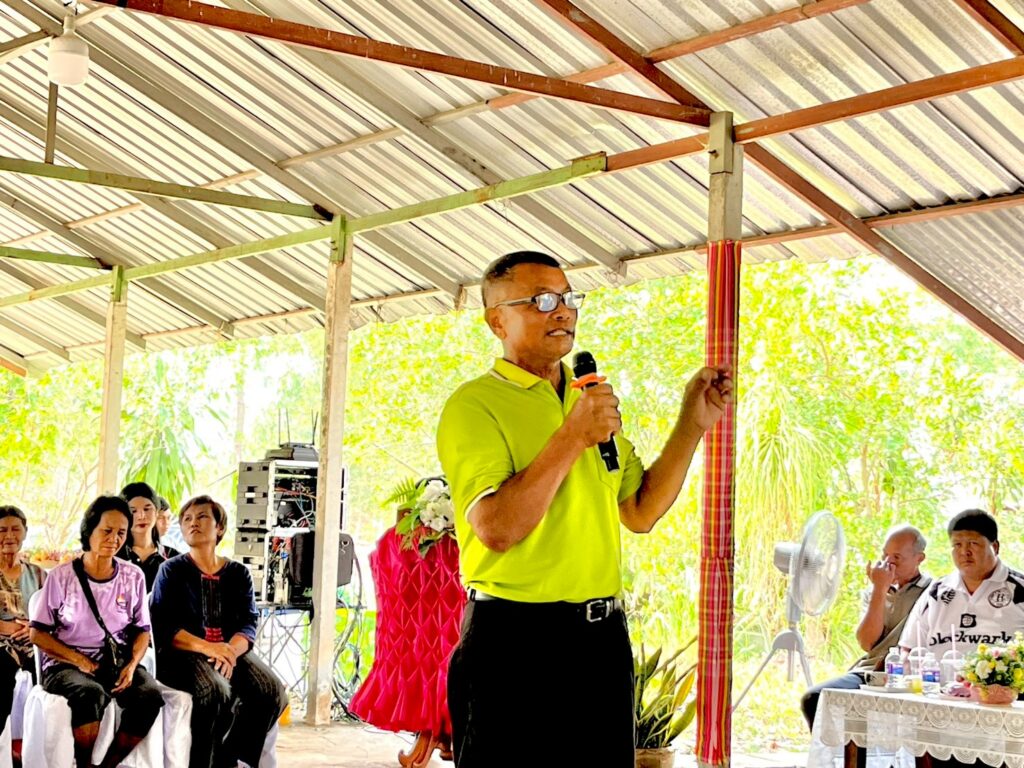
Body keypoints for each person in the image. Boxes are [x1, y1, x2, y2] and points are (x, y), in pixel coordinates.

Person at [436, 251, 733, 768]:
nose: (562, 311)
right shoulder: (475, 405)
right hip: (513, 641)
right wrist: (573, 436)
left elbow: (640, 510)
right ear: (497, 321)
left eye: (568, 298)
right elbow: (497, 528)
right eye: (540, 301)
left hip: (600, 642)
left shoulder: (587, 399)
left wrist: (692, 424)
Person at [150, 495, 286, 768]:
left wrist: (229, 651)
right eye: (187, 519)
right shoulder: (171, 570)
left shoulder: (238, 573)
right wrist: (210, 648)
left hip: (230, 651)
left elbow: (248, 622)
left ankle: (236, 760)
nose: (193, 523)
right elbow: (164, 626)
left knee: (270, 689)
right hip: (184, 655)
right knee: (215, 690)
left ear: (220, 527)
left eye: (202, 517)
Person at [28, 495, 163, 768]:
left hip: (115, 661)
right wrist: (80, 661)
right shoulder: (62, 576)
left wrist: (132, 666)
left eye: (121, 532)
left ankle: (107, 765)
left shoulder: (133, 576)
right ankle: (85, 763)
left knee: (149, 696)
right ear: (89, 531)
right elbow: (37, 634)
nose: (114, 539)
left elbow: (142, 630)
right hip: (66, 663)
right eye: (107, 531)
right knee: (90, 694)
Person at [800, 525, 930, 728]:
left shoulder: (933, 592)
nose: (888, 563)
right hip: (870, 673)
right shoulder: (874, 591)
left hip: (912, 675)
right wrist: (879, 589)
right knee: (814, 699)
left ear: (919, 558)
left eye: (897, 558)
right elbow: (867, 643)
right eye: (885, 555)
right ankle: (840, 750)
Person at [899, 509, 1024, 658]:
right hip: (939, 673)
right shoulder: (935, 593)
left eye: (973, 543)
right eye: (957, 545)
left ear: (995, 547)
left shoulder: (1019, 589)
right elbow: (908, 649)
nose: (965, 551)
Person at [0, 505, 46, 723]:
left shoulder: (38, 574)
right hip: (1, 644)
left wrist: (34, 628)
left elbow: (55, 614)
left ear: (25, 533)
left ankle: (35, 738)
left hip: (33, 643)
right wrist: (5, 627)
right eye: (2, 530)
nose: (9, 536)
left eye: (16, 529)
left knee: (51, 681)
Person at [117, 482, 168, 591]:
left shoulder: (171, 558)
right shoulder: (113, 556)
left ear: (156, 512)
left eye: (147, 509)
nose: (141, 516)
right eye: (133, 511)